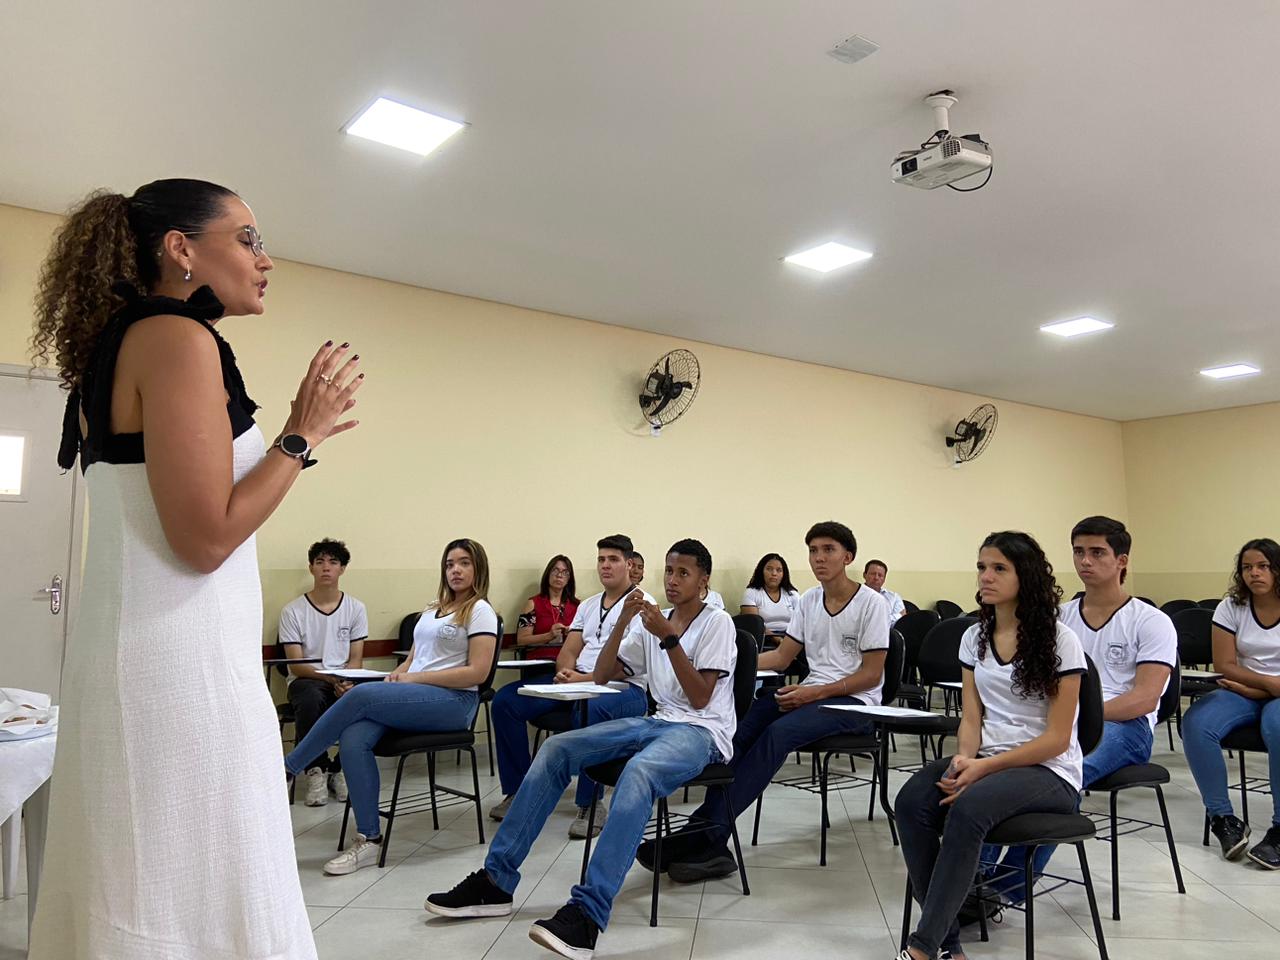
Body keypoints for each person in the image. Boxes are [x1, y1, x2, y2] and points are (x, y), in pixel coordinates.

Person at [27, 179, 363, 959]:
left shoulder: (130, 338)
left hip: (154, 658)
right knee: (189, 888)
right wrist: (301, 436)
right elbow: (205, 539)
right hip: (177, 672)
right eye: (247, 239)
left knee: (150, 885)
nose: (265, 259)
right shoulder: (174, 337)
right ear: (180, 248)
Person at [426, 540, 738, 960]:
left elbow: (700, 698)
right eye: (668, 571)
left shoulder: (717, 622)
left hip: (703, 732)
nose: (672, 580)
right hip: (659, 721)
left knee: (639, 772)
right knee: (557, 748)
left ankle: (587, 914)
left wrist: (669, 641)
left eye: (683, 573)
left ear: (703, 580)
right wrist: (623, 622)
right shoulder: (657, 620)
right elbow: (604, 674)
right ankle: (496, 881)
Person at [655, 521, 889, 882]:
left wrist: (816, 692)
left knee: (778, 735)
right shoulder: (809, 600)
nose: (819, 558)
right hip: (812, 695)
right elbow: (780, 658)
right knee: (743, 729)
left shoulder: (871, 603)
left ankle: (705, 836)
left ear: (848, 557)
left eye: (828, 550)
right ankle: (705, 833)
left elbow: (872, 675)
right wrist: (724, 663)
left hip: (855, 702)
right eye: (813, 550)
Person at [893, 531, 1087, 960]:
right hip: (985, 759)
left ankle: (923, 948)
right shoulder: (974, 637)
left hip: (1049, 770)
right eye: (982, 567)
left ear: (1026, 576)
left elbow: (1057, 738)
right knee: (910, 801)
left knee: (968, 808)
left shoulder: (1061, 640)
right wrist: (965, 760)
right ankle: (948, 944)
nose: (986, 576)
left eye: (999, 568)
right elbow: (971, 717)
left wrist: (982, 770)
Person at [972, 516, 1176, 906]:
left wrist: (1076, 719)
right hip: (1058, 721)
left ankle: (1005, 888)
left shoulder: (1152, 621)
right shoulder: (1055, 618)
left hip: (1124, 727)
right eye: (1079, 552)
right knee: (1003, 768)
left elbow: (1145, 699)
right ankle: (973, 877)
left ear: (1121, 561)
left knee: (1058, 772)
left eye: (1097, 552)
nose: (1085, 561)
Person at [284, 539, 498, 875]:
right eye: (449, 564)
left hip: (455, 703)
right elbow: (414, 659)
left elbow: (478, 673)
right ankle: (369, 839)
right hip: (419, 695)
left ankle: (288, 769)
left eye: (464, 563)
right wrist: (396, 678)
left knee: (360, 696)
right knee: (354, 737)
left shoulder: (480, 611)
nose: (455, 570)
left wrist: (412, 680)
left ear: (478, 568)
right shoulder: (433, 610)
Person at [490, 535, 653, 837]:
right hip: (577, 681)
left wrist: (580, 680)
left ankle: (591, 803)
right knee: (506, 701)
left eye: (613, 559)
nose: (605, 565)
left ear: (630, 565)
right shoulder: (588, 605)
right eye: (601, 559)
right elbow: (569, 649)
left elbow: (622, 667)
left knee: (590, 708)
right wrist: (566, 671)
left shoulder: (643, 605)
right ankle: (518, 791)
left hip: (623, 689)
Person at [1184, 537, 1280, 869]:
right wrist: (1266, 685)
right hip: (1244, 689)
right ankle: (1223, 819)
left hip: (1265, 691)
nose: (1254, 573)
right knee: (1196, 723)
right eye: (1247, 567)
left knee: (1277, 726)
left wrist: (1263, 690)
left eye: (1263, 566)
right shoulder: (1231, 606)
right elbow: (1224, 664)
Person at [279, 537, 369, 806]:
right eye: (320, 562)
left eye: (333, 562)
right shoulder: (292, 611)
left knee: (366, 697)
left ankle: (340, 769)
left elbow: (356, 659)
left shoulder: (356, 608)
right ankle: (315, 770)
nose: (326, 567)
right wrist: (331, 678)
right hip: (308, 678)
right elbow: (296, 665)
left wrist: (346, 681)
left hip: (344, 678)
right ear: (311, 568)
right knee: (309, 697)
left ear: (342, 569)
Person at [515, 555, 580, 660]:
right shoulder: (533, 604)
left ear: (569, 579)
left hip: (568, 662)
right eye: (555, 570)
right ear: (548, 574)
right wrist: (549, 636)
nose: (559, 575)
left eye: (565, 572)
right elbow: (521, 640)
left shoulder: (577, 606)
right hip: (540, 661)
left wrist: (573, 634)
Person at [739, 552, 801, 641]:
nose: (774, 573)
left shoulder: (792, 594)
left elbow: (802, 622)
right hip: (764, 639)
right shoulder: (752, 593)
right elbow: (753, 625)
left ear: (784, 574)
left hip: (791, 637)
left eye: (779, 570)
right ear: (761, 571)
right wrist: (778, 640)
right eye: (769, 569)